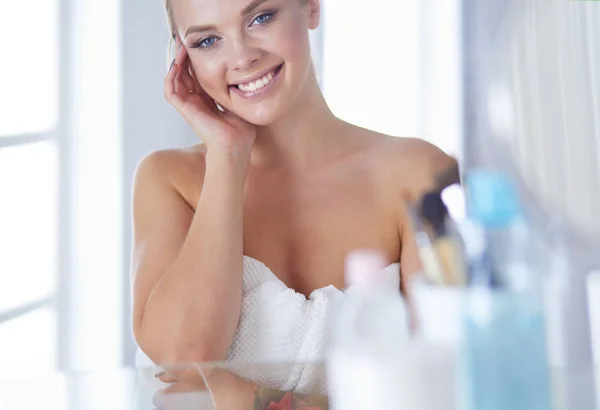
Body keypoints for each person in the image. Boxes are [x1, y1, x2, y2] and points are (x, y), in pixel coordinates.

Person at [131, 0, 458, 404]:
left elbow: (447, 382)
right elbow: (184, 359)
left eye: (261, 17)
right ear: (182, 57)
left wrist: (252, 399)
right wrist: (227, 156)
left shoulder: (421, 175)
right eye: (208, 40)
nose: (242, 56)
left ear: (312, 7)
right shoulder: (169, 180)